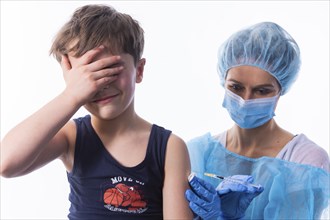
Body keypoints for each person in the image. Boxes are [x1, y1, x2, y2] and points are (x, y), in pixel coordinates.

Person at [0, 4, 193, 220]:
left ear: (138, 70)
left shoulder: (168, 147)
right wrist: (71, 96)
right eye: (87, 76)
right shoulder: (72, 137)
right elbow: (6, 162)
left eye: (110, 71)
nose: (100, 85)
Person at [185, 22, 330, 219]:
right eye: (236, 87)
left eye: (262, 91)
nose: (246, 100)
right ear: (223, 83)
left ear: (281, 90)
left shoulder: (305, 162)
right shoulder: (198, 152)